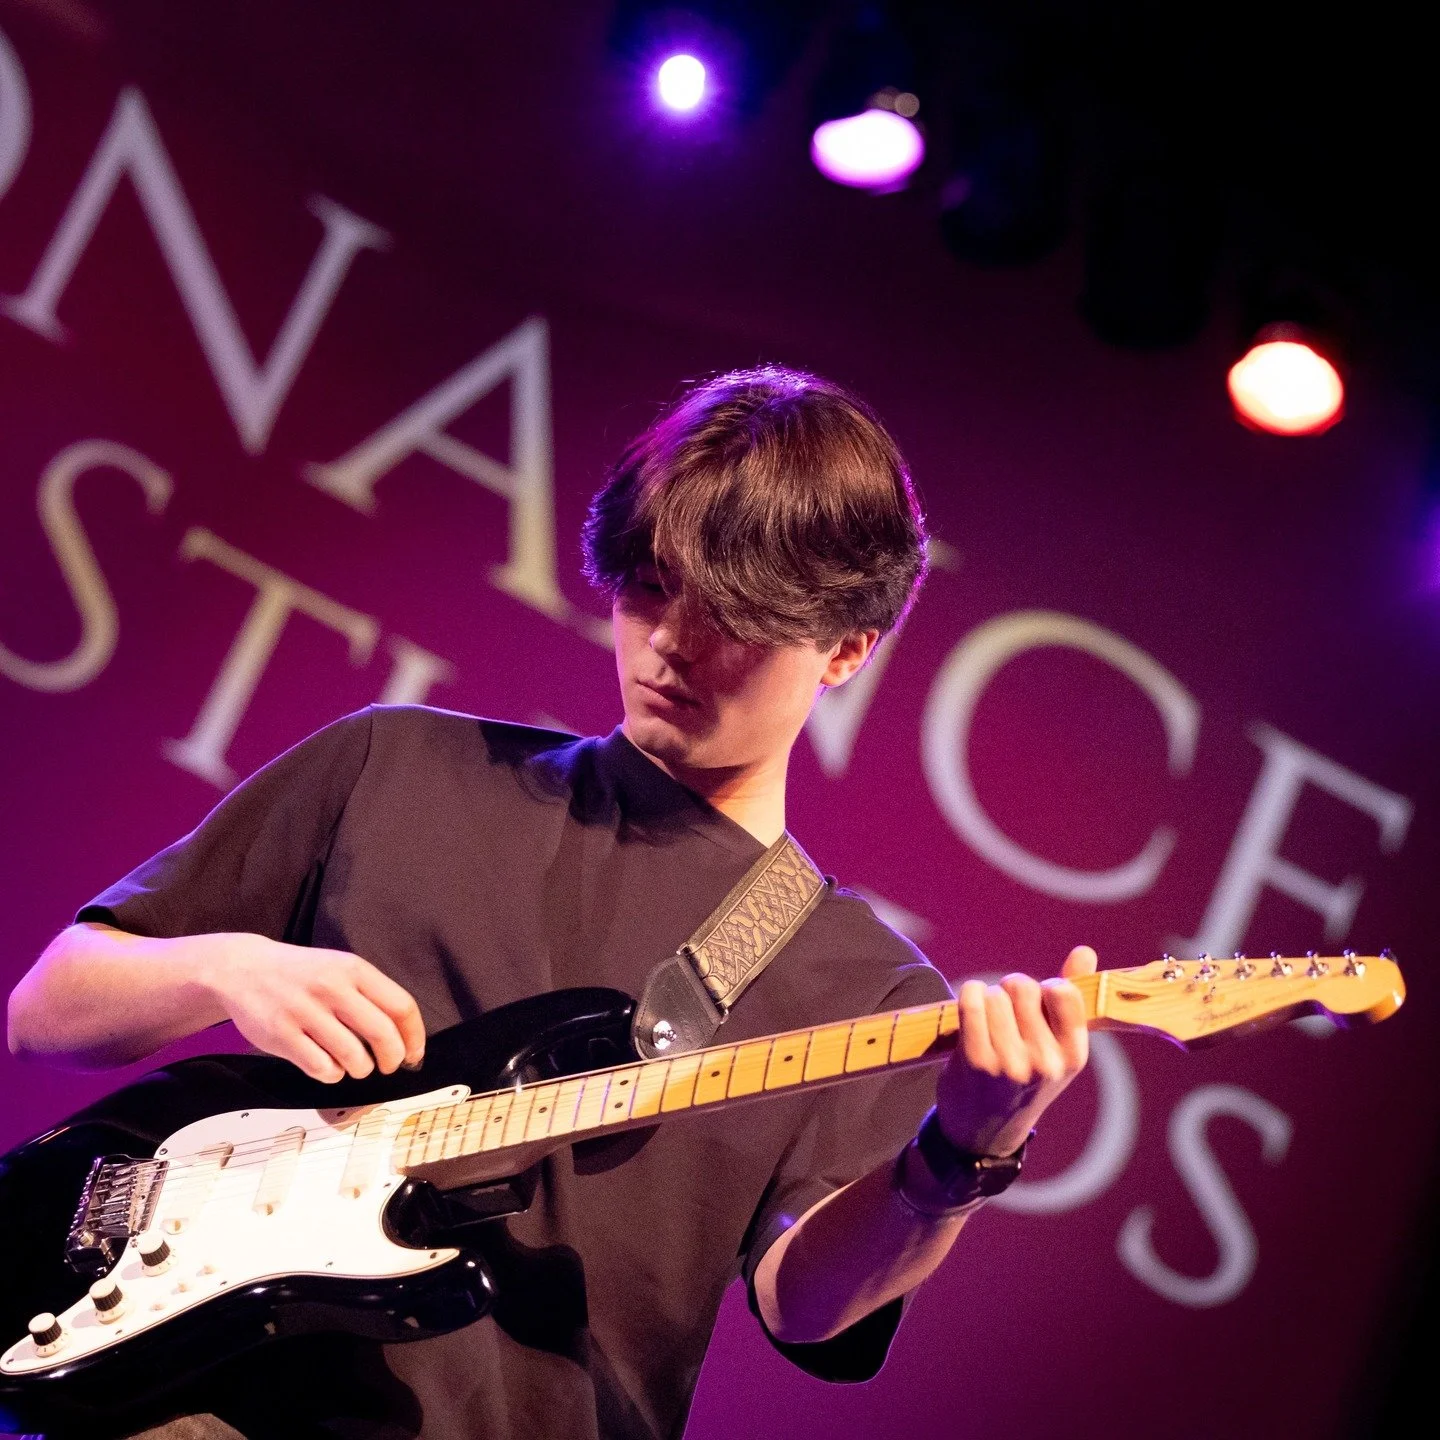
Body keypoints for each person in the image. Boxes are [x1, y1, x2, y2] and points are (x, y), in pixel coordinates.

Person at [7, 367, 1094, 1440]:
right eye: (650, 586)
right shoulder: (395, 762)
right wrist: (224, 967)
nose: (670, 642)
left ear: (847, 649)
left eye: (733, 617)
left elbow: (803, 1308)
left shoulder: (863, 984)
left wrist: (964, 1155)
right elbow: (47, 1011)